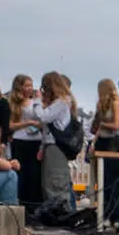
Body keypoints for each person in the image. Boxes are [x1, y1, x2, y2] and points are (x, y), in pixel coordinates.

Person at [30, 71, 79, 220]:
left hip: (56, 147)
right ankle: (53, 213)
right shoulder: (59, 103)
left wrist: (37, 101)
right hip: (50, 146)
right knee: (49, 182)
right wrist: (42, 148)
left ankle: (62, 213)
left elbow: (43, 117)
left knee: (56, 181)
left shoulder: (62, 102)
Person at [6, 74, 43, 213]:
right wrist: (27, 123)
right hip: (19, 139)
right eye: (26, 85)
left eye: (31, 86)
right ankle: (20, 202)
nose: (29, 89)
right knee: (20, 173)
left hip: (36, 140)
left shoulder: (36, 102)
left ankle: (34, 206)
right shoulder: (13, 104)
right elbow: (9, 125)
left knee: (34, 175)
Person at [90, 79, 119, 154]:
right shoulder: (102, 104)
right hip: (101, 138)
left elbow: (116, 125)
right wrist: (93, 142)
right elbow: (98, 128)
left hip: (112, 140)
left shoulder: (116, 103)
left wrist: (103, 124)